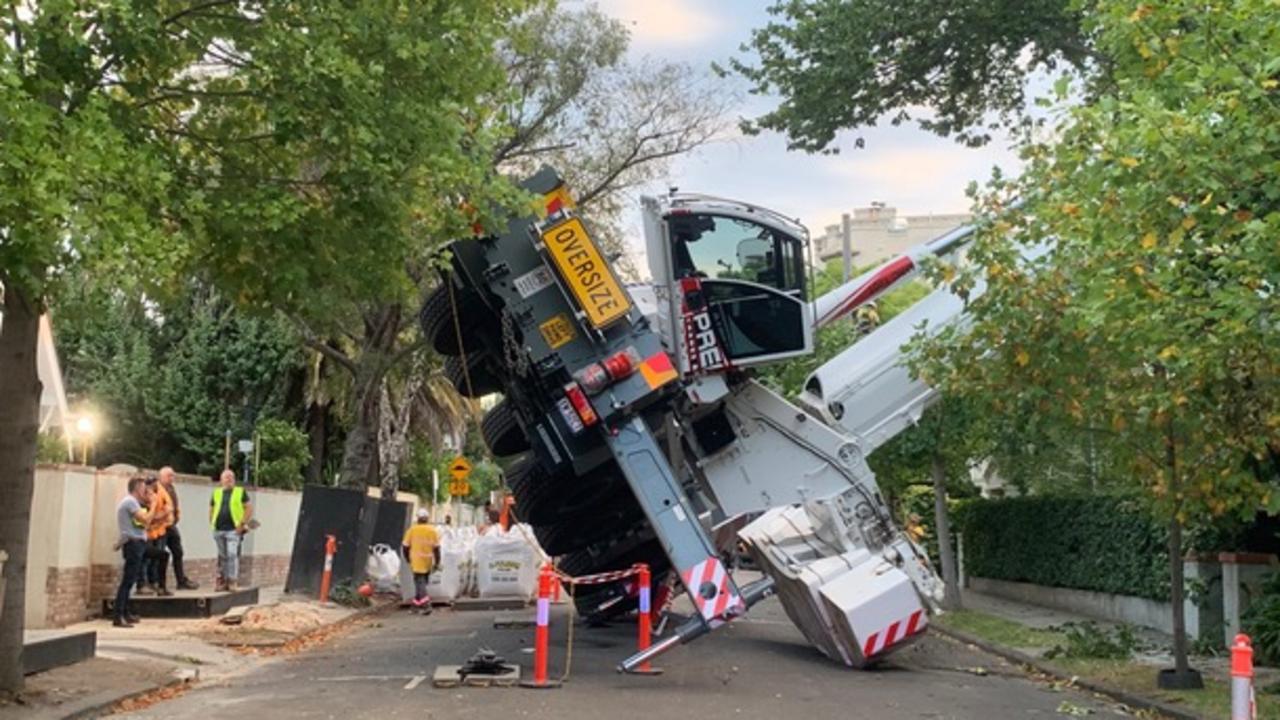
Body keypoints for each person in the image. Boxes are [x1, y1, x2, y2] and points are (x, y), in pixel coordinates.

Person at [114, 476, 151, 627]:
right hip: (133, 544)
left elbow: (143, 523)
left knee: (132, 580)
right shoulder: (130, 502)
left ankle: (126, 612)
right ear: (136, 488)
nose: (146, 491)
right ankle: (118, 616)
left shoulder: (134, 503)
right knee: (127, 581)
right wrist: (154, 503)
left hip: (137, 543)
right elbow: (145, 520)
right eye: (143, 488)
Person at [210, 469, 253, 592]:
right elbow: (212, 508)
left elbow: (248, 508)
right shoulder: (216, 493)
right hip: (219, 529)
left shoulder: (240, 492)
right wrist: (212, 522)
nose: (228, 479)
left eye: (231, 477)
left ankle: (232, 580)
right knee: (222, 556)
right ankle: (223, 581)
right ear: (221, 480)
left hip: (233, 529)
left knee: (232, 554)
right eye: (226, 477)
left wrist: (242, 523)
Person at [158, 467, 198, 589]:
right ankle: (157, 582)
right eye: (169, 476)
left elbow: (174, 504)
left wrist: (177, 515)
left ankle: (181, 580)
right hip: (161, 526)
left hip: (172, 525)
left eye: (173, 476)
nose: (172, 478)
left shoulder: (171, 488)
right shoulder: (157, 489)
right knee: (160, 555)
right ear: (162, 476)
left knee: (178, 552)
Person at [136, 476, 173, 597]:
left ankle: (160, 586)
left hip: (156, 533)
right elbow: (148, 520)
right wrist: (161, 512)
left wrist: (162, 514)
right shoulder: (140, 504)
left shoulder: (159, 494)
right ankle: (142, 585)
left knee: (162, 556)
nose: (152, 494)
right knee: (144, 561)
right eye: (149, 491)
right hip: (142, 538)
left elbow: (166, 510)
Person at [401, 508, 441, 609]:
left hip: (416, 559)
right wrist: (437, 562)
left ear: (417, 518)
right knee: (422, 581)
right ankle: (415, 605)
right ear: (427, 518)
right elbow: (437, 549)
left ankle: (426, 604)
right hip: (428, 560)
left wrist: (407, 558)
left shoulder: (412, 530)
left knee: (419, 582)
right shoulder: (433, 530)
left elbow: (405, 547)